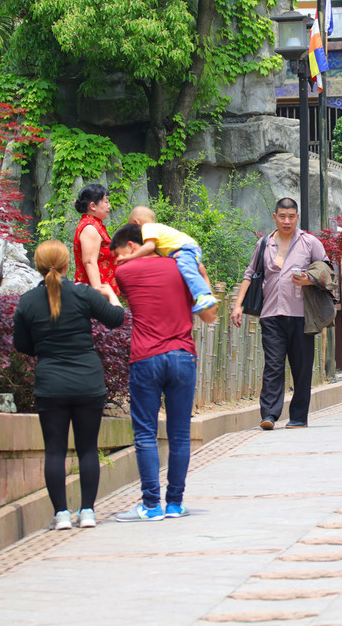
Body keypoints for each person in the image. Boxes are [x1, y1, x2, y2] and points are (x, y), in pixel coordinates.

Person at [13, 240, 127, 531]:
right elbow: (117, 319)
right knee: (88, 448)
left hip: (51, 384)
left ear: (37, 267)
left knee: (54, 450)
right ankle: (87, 512)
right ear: (66, 266)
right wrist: (111, 294)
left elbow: (22, 345)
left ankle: (61, 515)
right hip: (88, 381)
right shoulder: (83, 293)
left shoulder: (26, 301)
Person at [111, 224, 216, 522]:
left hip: (145, 357)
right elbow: (210, 316)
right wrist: (202, 276)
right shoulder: (183, 267)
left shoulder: (124, 273)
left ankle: (150, 505)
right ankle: (174, 504)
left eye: (121, 254)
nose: (119, 260)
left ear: (132, 246)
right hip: (183, 356)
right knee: (180, 434)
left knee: (145, 433)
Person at [232, 198, 328, 431]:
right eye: (282, 216)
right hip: (271, 314)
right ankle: (270, 414)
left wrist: (309, 278)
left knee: (302, 366)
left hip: (301, 315)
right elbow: (250, 273)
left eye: (291, 216)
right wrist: (238, 305)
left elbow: (326, 270)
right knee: (273, 365)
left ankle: (298, 416)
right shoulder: (264, 243)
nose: (287, 221)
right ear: (275, 217)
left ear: (297, 217)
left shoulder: (309, 242)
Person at [118, 207, 217, 314]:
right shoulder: (156, 230)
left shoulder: (148, 227)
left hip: (185, 249)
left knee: (187, 270)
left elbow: (149, 247)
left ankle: (204, 295)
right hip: (183, 250)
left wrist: (130, 257)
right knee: (185, 272)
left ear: (136, 223)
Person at [72, 184, 118, 300]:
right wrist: (99, 292)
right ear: (93, 205)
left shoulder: (95, 225)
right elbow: (89, 262)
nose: (109, 206)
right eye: (106, 202)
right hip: (94, 297)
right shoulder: (90, 228)